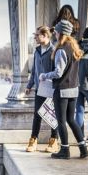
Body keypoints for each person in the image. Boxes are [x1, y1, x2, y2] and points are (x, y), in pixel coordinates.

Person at [39, 20, 88, 159]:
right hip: (73, 89)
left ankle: (65, 151)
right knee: (71, 120)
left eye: (56, 31)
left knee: (61, 121)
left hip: (62, 90)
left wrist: (44, 76)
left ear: (61, 33)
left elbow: (58, 73)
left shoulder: (61, 50)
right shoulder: (74, 48)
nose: (54, 33)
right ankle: (83, 149)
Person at [25, 25, 59, 153]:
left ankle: (54, 140)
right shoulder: (37, 50)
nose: (35, 37)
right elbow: (34, 70)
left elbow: (57, 71)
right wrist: (29, 86)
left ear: (45, 35)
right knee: (37, 115)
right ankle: (33, 140)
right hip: (39, 89)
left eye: (37, 35)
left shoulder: (54, 50)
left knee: (52, 115)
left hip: (51, 88)